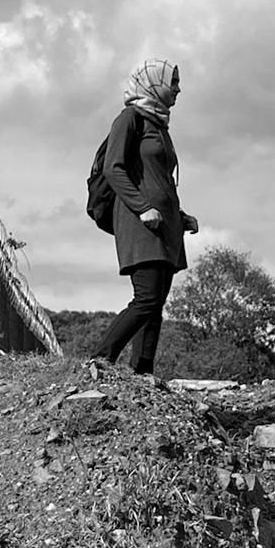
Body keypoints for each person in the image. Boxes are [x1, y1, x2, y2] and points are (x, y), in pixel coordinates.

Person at [90, 59, 198, 376]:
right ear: (154, 83)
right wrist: (142, 208)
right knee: (147, 299)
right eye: (173, 82)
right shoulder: (130, 119)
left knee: (155, 305)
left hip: (165, 226)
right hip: (141, 223)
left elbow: (158, 180)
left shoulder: (159, 126)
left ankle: (142, 372)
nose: (178, 89)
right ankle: (99, 360)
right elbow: (113, 168)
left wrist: (181, 217)